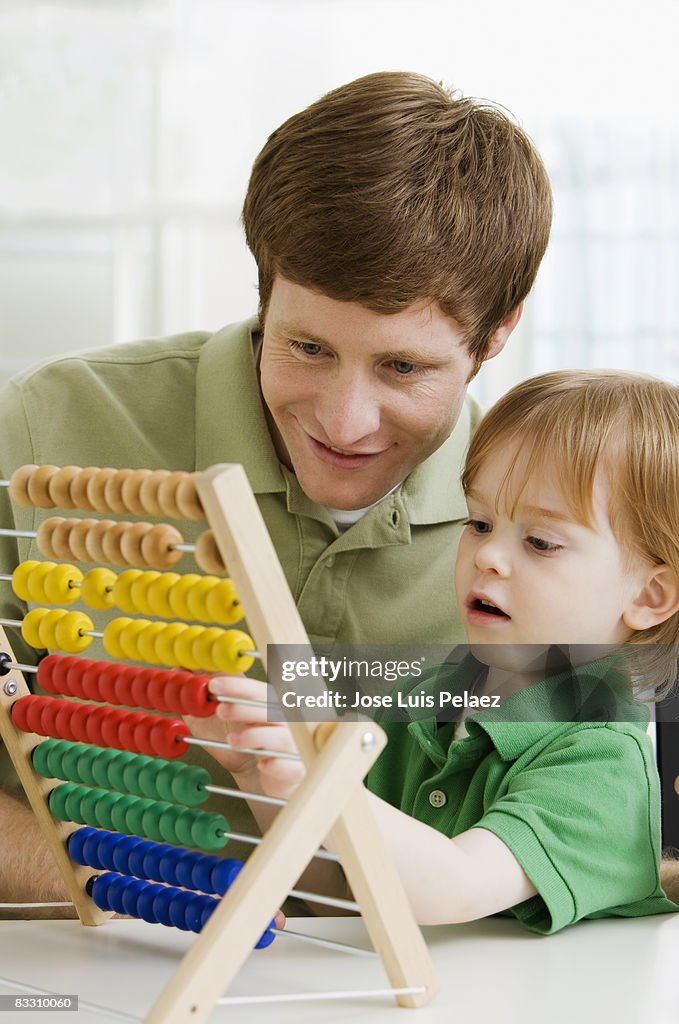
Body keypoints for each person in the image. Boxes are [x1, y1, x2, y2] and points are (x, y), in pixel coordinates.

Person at [0, 71, 552, 907]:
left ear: (497, 331)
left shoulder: (556, 524)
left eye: (402, 366)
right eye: (307, 348)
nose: (345, 419)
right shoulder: (47, 428)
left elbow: (602, 803)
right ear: (264, 283)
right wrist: (126, 899)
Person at [203, 369, 679, 931]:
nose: (489, 557)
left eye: (541, 542)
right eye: (479, 522)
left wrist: (321, 784)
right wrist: (266, 778)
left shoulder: (601, 764)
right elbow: (344, 890)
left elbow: (454, 887)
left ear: (649, 597)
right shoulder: (421, 703)